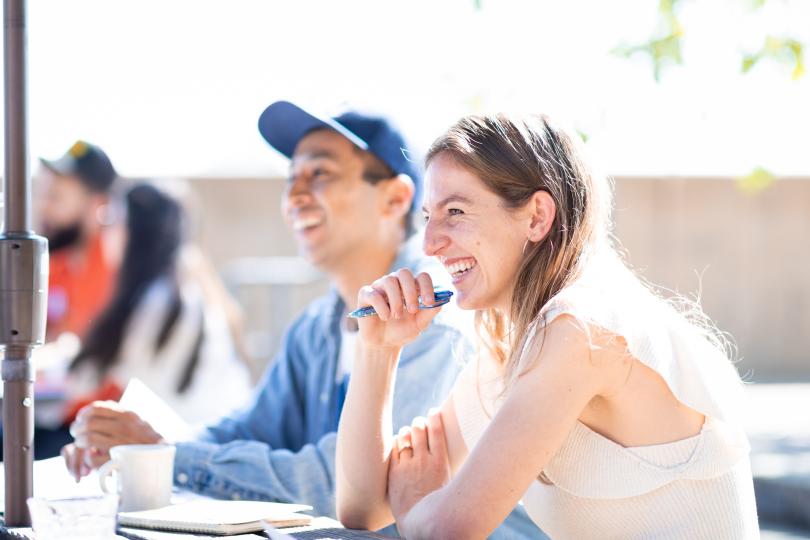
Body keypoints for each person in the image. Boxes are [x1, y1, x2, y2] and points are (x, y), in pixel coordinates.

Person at [62, 102, 541, 538]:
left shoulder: (441, 308)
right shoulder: (317, 325)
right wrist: (132, 443)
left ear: (396, 200)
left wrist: (169, 455)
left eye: (321, 174)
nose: (295, 195)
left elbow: (345, 485)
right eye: (291, 178)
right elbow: (248, 429)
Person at [336, 113, 760, 538]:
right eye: (428, 216)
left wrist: (415, 508)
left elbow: (448, 530)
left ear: (537, 216)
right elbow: (365, 509)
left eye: (456, 211)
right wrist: (378, 350)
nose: (429, 243)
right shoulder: (507, 351)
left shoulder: (580, 328)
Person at [64, 182, 253, 425]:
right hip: (197, 436)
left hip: (195, 443)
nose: (106, 232)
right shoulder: (181, 286)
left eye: (112, 220)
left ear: (136, 231)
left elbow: (84, 379)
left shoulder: (159, 299)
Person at [37, 140, 122, 341]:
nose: (44, 208)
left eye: (57, 198)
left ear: (97, 204)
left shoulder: (119, 270)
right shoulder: (52, 268)